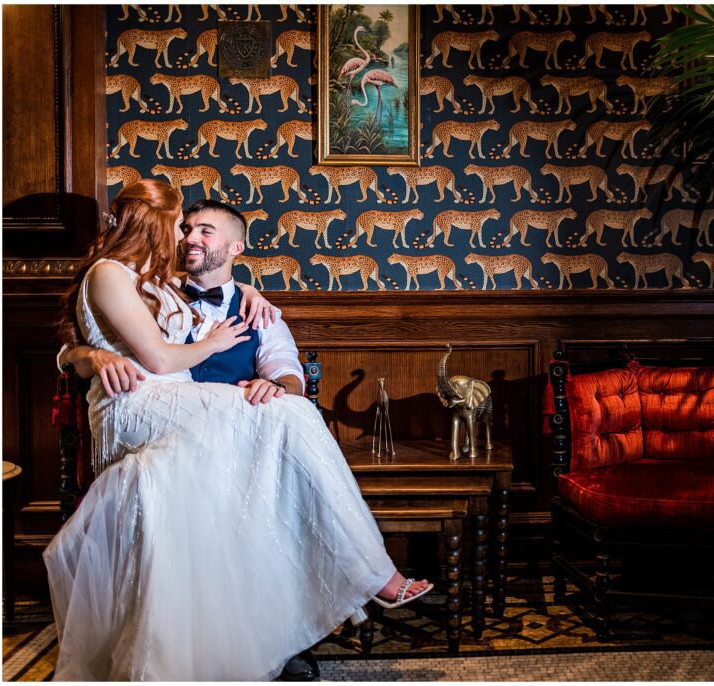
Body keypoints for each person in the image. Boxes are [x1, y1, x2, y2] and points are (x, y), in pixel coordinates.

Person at [45, 180, 430, 681]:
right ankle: (371, 576)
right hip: (144, 406)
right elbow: (114, 343)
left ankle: (277, 630)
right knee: (291, 421)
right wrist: (80, 355)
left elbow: (288, 372)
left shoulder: (247, 305)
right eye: (184, 226)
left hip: (205, 424)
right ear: (158, 224)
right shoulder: (126, 277)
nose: (187, 237)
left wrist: (247, 302)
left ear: (234, 249)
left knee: (290, 411)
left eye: (203, 230)